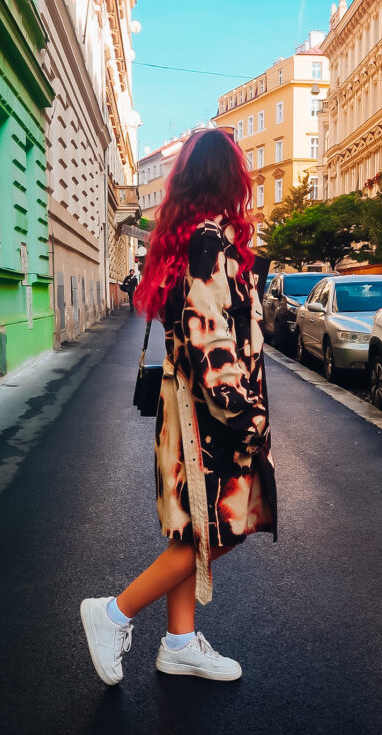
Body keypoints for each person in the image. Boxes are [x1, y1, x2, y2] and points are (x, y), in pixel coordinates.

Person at [80, 128, 277, 684]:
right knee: (217, 530)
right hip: (210, 419)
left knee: (193, 531)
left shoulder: (193, 241)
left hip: (188, 412)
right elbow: (210, 341)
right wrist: (247, 420)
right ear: (228, 178)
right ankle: (114, 613)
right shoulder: (207, 244)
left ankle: (180, 641)